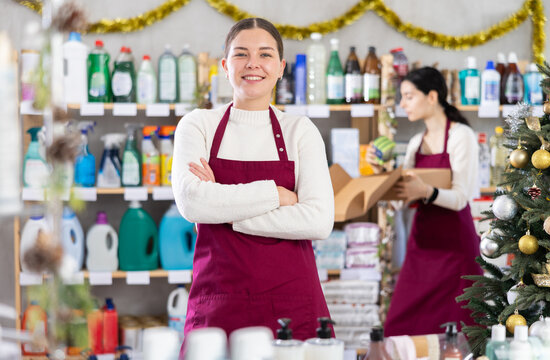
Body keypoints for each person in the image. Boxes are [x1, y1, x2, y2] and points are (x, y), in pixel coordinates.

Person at [171, 18, 335, 344]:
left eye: (265, 55)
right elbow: (192, 202)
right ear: (224, 65)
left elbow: (318, 221)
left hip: (293, 302)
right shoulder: (198, 125)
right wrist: (276, 194)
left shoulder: (299, 131)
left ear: (280, 67)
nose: (253, 64)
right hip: (218, 301)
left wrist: (223, 207)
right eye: (241, 54)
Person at [367, 67, 483, 336]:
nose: (402, 103)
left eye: (408, 96)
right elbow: (401, 202)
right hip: (422, 247)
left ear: (432, 96)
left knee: (460, 332)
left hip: (456, 249)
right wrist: (381, 174)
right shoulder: (416, 142)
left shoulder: (460, 136)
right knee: (400, 325)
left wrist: (426, 191)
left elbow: (460, 198)